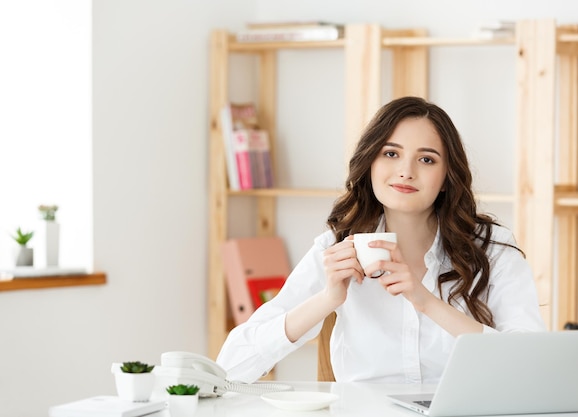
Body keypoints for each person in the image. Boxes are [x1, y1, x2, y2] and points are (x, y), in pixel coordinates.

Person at [216, 96, 546, 384]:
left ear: (447, 178)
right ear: (370, 162)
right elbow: (230, 367)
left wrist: (426, 301)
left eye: (426, 159)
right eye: (391, 154)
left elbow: (533, 365)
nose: (405, 171)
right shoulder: (337, 247)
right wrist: (327, 299)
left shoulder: (491, 247)